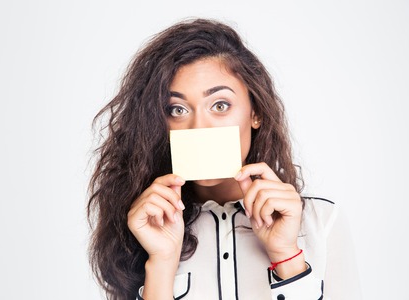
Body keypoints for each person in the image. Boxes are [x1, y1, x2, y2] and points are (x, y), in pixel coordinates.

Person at [87, 18, 361, 300]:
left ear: (256, 113)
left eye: (220, 105)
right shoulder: (146, 227)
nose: (199, 128)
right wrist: (161, 263)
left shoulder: (320, 223)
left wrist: (285, 255)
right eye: (177, 110)